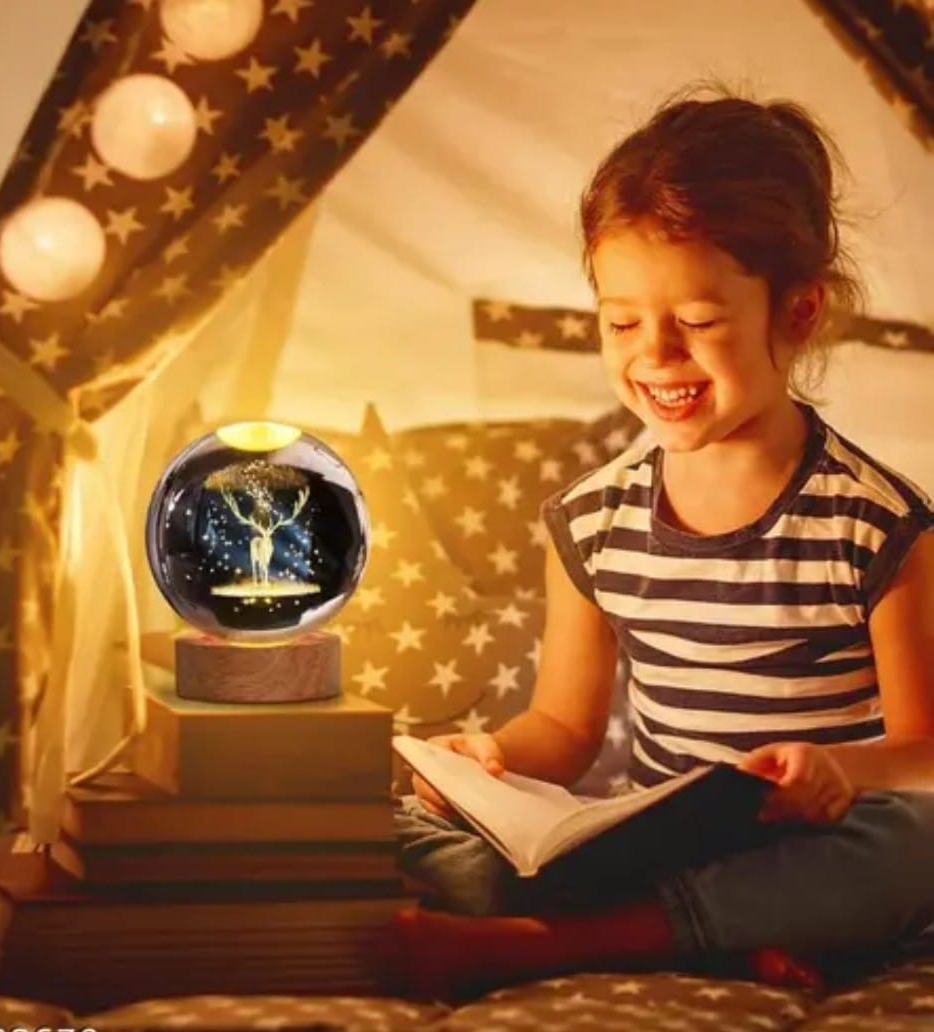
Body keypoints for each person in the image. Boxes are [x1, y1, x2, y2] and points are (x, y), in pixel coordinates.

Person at [391, 84, 934, 1000]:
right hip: (652, 849)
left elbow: (925, 749)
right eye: (622, 323)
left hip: (821, 844)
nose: (655, 356)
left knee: (915, 846)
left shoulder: (875, 523)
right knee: (399, 827)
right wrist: (483, 758)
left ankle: (553, 946)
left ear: (796, 314)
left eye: (698, 323)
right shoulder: (592, 520)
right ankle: (701, 934)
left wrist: (841, 770)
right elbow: (561, 732)